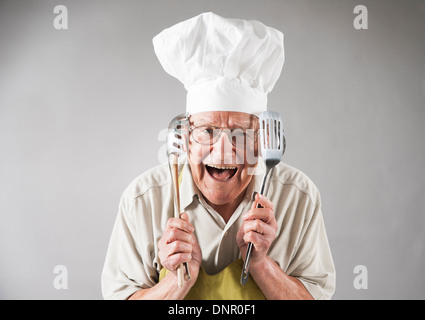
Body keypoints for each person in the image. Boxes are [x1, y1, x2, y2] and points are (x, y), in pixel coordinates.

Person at [101, 12, 335, 300]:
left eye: (240, 133)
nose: (223, 150)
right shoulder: (143, 200)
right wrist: (175, 282)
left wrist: (261, 264)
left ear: (262, 142)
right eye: (208, 130)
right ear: (186, 138)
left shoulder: (298, 198)